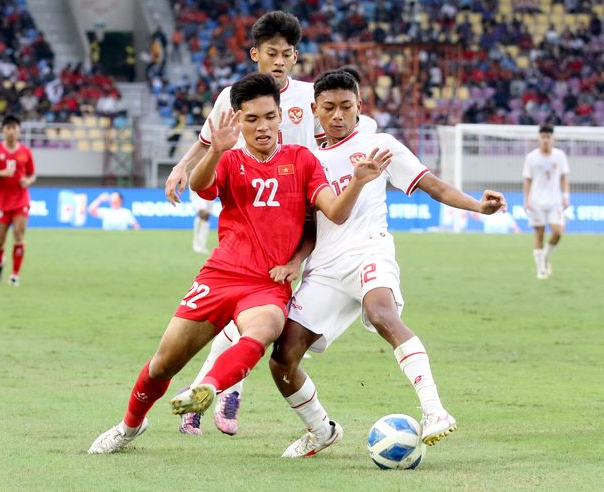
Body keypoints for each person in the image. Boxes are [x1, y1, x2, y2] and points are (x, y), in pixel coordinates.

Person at [87, 72, 392, 454]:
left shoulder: (303, 161)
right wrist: (214, 150)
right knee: (162, 364)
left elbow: (334, 211)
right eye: (251, 119)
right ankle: (129, 427)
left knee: (264, 330)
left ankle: (209, 388)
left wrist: (358, 182)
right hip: (220, 276)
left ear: (281, 116)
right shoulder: (230, 159)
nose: (262, 127)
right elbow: (201, 187)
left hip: (267, 284)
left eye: (268, 116)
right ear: (239, 120)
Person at [265, 70, 507, 457]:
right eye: (329, 108)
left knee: (382, 313)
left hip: (369, 252)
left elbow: (433, 185)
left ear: (360, 106)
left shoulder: (379, 145)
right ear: (314, 110)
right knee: (282, 360)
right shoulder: (305, 159)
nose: (338, 115)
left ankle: (434, 410)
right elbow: (311, 222)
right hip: (325, 268)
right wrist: (296, 261)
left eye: (346, 106)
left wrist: (478, 206)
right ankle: (321, 429)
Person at [165, 11, 325, 436]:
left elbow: (333, 136)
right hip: (249, 218)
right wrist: (182, 168)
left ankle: (208, 388)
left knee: (271, 319)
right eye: (271, 53)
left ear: (295, 57)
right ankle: (223, 389)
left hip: (302, 215)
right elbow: (207, 141)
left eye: (286, 54)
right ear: (255, 54)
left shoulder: (310, 98)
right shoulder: (231, 97)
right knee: (264, 316)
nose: (279, 61)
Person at [0, 115, 36, 286]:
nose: (12, 131)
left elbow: (32, 174)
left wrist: (28, 181)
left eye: (15, 128)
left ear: (19, 131)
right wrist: (2, 173)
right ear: (3, 130)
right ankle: (1, 262)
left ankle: (14, 275)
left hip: (21, 200)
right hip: (2, 203)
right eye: (8, 128)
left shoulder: (25, 152)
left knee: (19, 236)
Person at [523, 124, 570, 279]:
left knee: (558, 232)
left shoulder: (560, 156)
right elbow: (527, 179)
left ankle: (544, 256)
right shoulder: (531, 157)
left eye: (548, 137)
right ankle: (540, 269)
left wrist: (566, 195)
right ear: (539, 138)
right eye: (543, 137)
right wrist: (527, 199)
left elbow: (564, 177)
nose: (545, 140)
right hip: (536, 201)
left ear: (553, 138)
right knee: (539, 234)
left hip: (555, 200)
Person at [190, 189, 213, 253]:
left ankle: (202, 244)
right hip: (199, 186)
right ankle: (196, 244)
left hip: (210, 188)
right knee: (203, 214)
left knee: (207, 216)